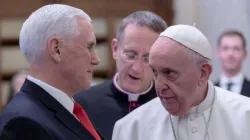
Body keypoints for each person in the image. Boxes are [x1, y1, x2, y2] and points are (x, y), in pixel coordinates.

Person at [112, 25, 250, 140]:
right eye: (155, 72)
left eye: (170, 73)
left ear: (203, 73)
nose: (159, 86)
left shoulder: (245, 116)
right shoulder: (131, 128)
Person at [0, 4, 102, 140]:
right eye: (89, 47)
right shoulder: (24, 124)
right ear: (56, 49)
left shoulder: (68, 110)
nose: (96, 60)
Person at [74, 11, 167, 140]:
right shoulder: (82, 105)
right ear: (115, 49)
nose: (137, 68)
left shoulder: (170, 106)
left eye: (147, 58)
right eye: (130, 55)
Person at [215, 30, 250, 97]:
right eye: (225, 48)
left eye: (236, 49)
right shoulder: (207, 93)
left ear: (245, 54)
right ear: (218, 52)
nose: (230, 54)